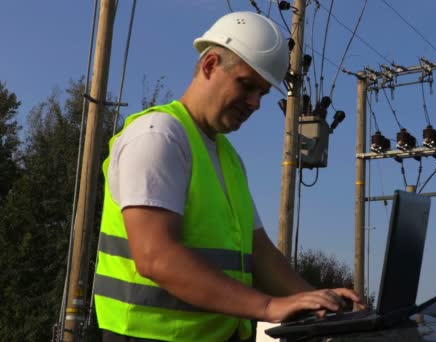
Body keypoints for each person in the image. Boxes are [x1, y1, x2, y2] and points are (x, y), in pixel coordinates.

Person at [93, 11, 364, 342]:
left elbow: (259, 252)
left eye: (262, 93)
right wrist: (268, 306)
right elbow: (155, 256)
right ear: (209, 66)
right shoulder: (158, 136)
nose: (255, 103)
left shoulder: (227, 157)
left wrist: (321, 303)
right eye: (247, 85)